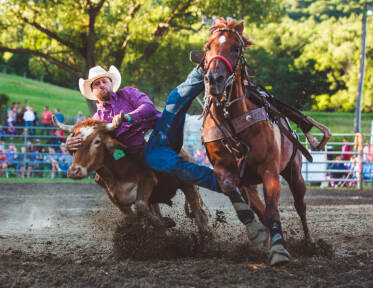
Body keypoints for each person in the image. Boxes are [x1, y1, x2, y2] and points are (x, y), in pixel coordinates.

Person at [66, 65, 267, 244]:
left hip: (160, 133)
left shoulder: (129, 93)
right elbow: (88, 142)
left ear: (111, 83)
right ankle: (222, 184)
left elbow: (148, 108)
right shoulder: (96, 120)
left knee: (174, 101)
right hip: (138, 153)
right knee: (128, 170)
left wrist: (126, 116)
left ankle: (202, 68)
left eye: (104, 81)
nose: (102, 85)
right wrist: (69, 143)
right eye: (97, 84)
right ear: (93, 91)